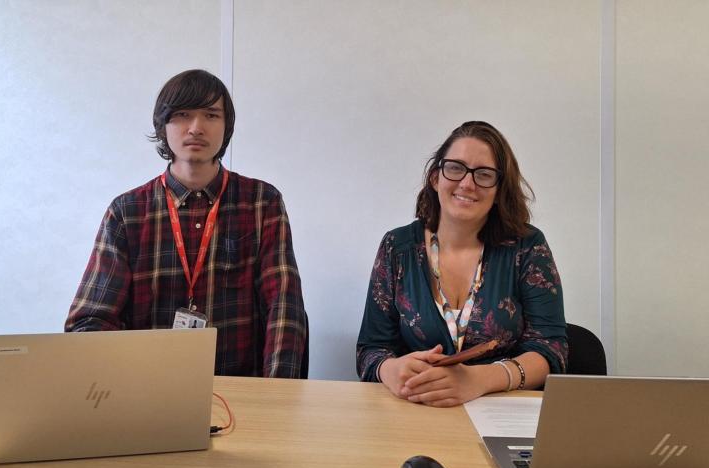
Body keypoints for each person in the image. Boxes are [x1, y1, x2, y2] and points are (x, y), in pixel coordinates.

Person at [66, 69, 307, 378]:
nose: (196, 128)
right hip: (147, 393)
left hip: (241, 390)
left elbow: (284, 306)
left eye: (211, 115)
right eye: (182, 115)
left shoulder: (262, 202)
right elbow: (90, 321)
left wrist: (276, 396)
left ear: (226, 127)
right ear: (163, 125)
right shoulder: (127, 212)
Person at [356, 121, 567, 406]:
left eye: (484, 174)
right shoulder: (397, 247)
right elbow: (371, 348)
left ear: (498, 190)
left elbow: (550, 348)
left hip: (502, 408)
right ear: (435, 177)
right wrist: (391, 369)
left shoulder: (527, 247)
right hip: (417, 407)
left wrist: (480, 380)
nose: (467, 183)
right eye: (455, 168)